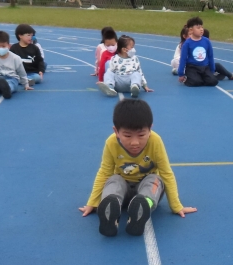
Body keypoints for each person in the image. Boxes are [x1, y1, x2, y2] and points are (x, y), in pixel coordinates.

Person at [79, 99, 196, 237]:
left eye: (141, 135)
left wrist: (176, 206)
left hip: (146, 189)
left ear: (150, 129)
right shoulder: (111, 143)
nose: (135, 142)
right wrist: (92, 202)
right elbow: (104, 172)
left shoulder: (155, 141)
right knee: (114, 179)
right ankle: (111, 208)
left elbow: (166, 173)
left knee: (156, 179)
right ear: (116, 131)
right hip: (122, 190)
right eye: (127, 135)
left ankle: (141, 207)